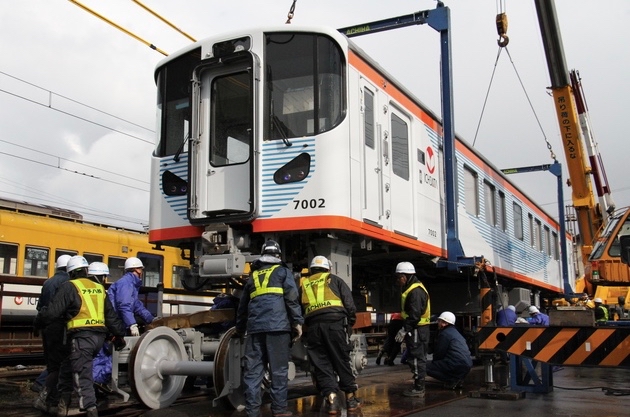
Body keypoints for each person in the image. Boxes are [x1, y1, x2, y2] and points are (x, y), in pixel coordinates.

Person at [40, 256, 126, 417]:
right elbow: (111, 317)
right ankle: (61, 405)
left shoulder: (70, 286)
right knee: (67, 367)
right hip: (98, 340)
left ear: (70, 273)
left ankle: (90, 409)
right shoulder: (99, 288)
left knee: (82, 373)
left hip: (81, 338)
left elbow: (52, 313)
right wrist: (119, 335)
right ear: (86, 271)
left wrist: (39, 319)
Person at [235, 240, 304, 417]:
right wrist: (297, 322)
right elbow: (291, 298)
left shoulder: (253, 277)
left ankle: (252, 411)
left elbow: (243, 306)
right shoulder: (282, 272)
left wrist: (240, 328)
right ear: (278, 256)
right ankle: (279, 410)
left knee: (253, 372)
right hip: (277, 327)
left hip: (255, 329)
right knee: (278, 370)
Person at [299, 256, 360, 414]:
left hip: (314, 328)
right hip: (335, 326)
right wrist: (349, 324)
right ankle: (350, 399)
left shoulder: (304, 285)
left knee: (321, 365)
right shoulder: (335, 280)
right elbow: (350, 305)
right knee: (341, 360)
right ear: (328, 269)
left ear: (311, 270)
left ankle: (332, 400)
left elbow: (299, 309)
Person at [32, 254, 73, 414]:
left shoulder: (48, 282)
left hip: (46, 327)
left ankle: (45, 391)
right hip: (60, 327)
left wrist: (37, 324)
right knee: (62, 363)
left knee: (51, 362)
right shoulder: (67, 283)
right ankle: (48, 396)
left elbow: (40, 307)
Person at [394, 261, 431, 397]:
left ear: (405, 276)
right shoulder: (414, 288)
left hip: (417, 329)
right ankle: (418, 385)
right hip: (418, 329)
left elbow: (415, 315)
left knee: (416, 357)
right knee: (416, 357)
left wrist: (404, 329)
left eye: (399, 277)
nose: (398, 281)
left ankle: (419, 388)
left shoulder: (415, 291)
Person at [107, 257, 154, 336]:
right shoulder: (126, 283)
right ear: (137, 270)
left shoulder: (131, 283)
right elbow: (124, 305)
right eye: (141, 269)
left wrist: (150, 318)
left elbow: (136, 305)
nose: (142, 272)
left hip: (119, 321)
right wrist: (132, 324)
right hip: (116, 322)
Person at [426, 312, 472, 389]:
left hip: (456, 364)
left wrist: (434, 363)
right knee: (444, 364)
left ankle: (452, 380)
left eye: (439, 321)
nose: (438, 323)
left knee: (424, 367)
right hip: (467, 365)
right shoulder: (455, 332)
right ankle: (458, 379)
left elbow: (439, 352)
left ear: (444, 323)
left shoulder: (445, 334)